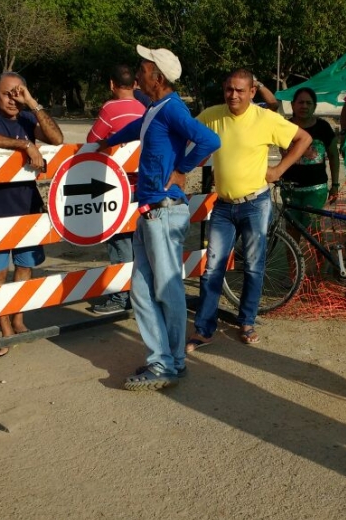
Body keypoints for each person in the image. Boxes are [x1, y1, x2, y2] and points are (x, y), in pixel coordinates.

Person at [96, 45, 220, 391]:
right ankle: (163, 359)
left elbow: (210, 139)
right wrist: (104, 142)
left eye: (143, 68)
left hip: (163, 212)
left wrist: (181, 170)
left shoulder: (172, 109)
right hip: (151, 212)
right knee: (142, 291)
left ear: (158, 77)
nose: (137, 74)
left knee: (166, 291)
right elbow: (137, 129)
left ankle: (170, 362)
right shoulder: (155, 109)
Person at [188, 69, 311, 350]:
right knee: (211, 270)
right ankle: (204, 329)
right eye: (229, 89)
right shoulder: (212, 115)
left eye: (240, 90)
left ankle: (246, 321)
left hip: (256, 205)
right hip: (223, 206)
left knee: (254, 268)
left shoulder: (265, 118)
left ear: (252, 92)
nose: (234, 95)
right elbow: (189, 136)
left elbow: (303, 139)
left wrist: (279, 169)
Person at [0, 72, 64, 358]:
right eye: (7, 93)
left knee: (25, 266)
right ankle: (4, 328)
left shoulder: (25, 117)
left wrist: (32, 103)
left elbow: (56, 137)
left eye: (18, 92)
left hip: (27, 206)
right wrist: (25, 145)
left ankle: (18, 319)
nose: (13, 99)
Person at [87, 65, 146, 315]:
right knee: (136, 241)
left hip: (119, 185)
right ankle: (138, 293)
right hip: (141, 183)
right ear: (135, 84)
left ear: (112, 85)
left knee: (118, 240)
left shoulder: (110, 109)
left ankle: (122, 296)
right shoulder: (144, 108)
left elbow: (92, 140)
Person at [281, 87, 342, 229]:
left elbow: (334, 156)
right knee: (291, 230)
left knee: (313, 232)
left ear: (314, 106)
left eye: (309, 103)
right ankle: (293, 253)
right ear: (292, 105)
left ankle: (314, 253)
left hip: (316, 190)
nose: (304, 106)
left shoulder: (323, 127)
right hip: (289, 189)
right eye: (301, 102)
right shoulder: (284, 127)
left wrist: (335, 186)